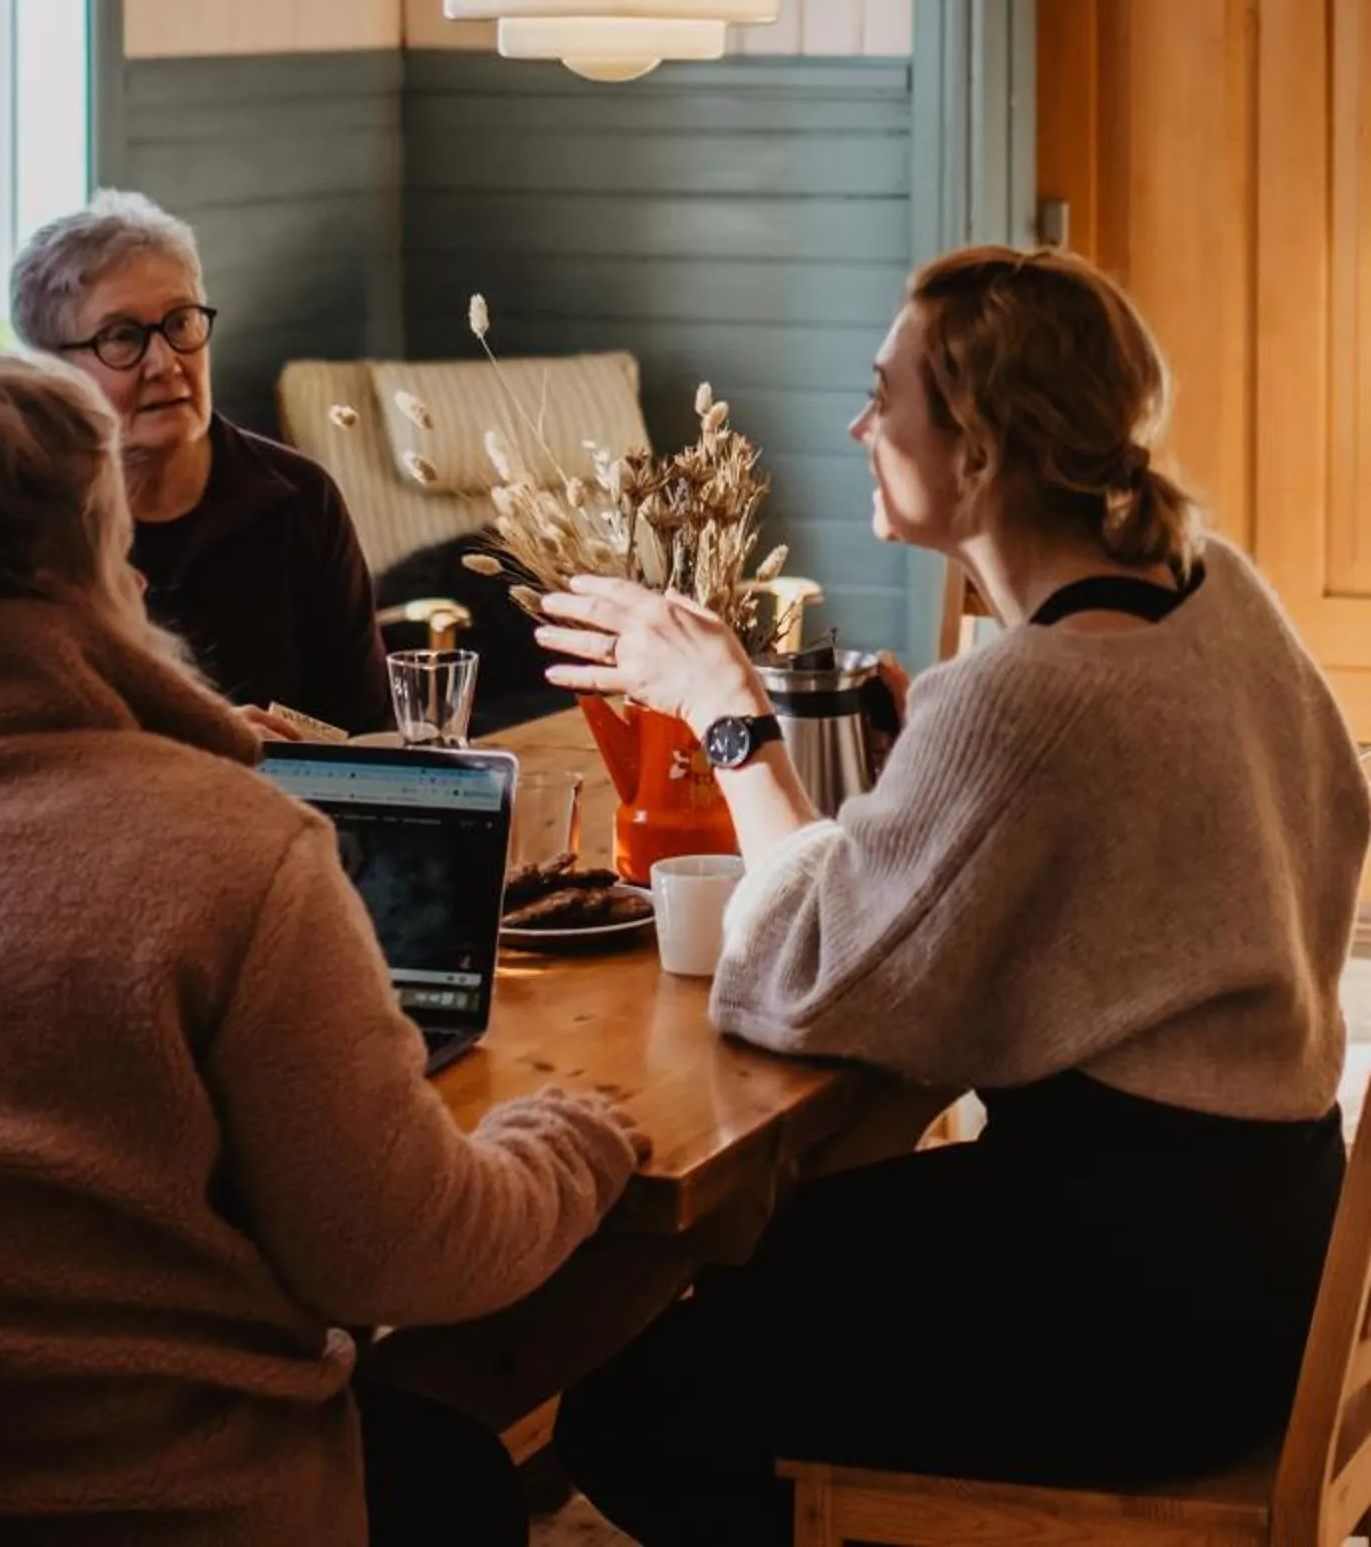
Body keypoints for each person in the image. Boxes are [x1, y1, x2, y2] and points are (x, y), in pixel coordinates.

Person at [0, 352, 640, 1547]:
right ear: (99, 555)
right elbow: (400, 1253)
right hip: (146, 1507)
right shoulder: (232, 850)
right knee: (442, 1469)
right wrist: (566, 1144)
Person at [537, 245, 1369, 1544]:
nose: (858, 425)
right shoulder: (1215, 590)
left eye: (885, 396)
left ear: (976, 450)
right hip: (1268, 1248)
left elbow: (808, 983)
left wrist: (727, 716)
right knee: (778, 1254)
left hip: (1130, 1314)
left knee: (635, 1398)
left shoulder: (1028, 693)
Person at [10, 191, 390, 733]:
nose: (165, 363)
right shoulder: (19, 517)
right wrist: (202, 742)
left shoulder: (300, 497)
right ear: (52, 371)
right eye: (123, 337)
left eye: (181, 323)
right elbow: (23, 747)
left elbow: (364, 730)